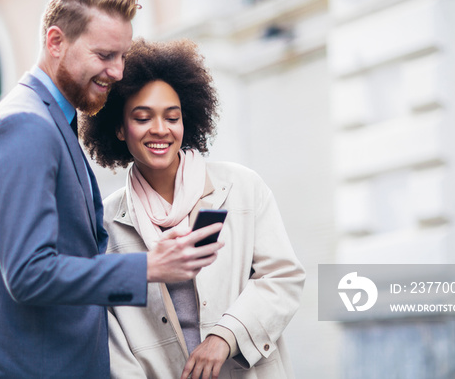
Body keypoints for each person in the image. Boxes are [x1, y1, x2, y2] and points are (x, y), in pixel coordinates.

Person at [0, 0, 224, 379]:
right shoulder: (26, 125)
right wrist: (148, 267)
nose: (117, 72)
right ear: (56, 41)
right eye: (105, 55)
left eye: (122, 56)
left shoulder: (50, 120)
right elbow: (28, 274)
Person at [81, 38, 306, 379]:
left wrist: (225, 336)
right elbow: (106, 328)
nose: (160, 129)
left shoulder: (242, 188)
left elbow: (283, 278)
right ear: (118, 128)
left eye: (172, 117)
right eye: (143, 118)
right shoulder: (105, 223)